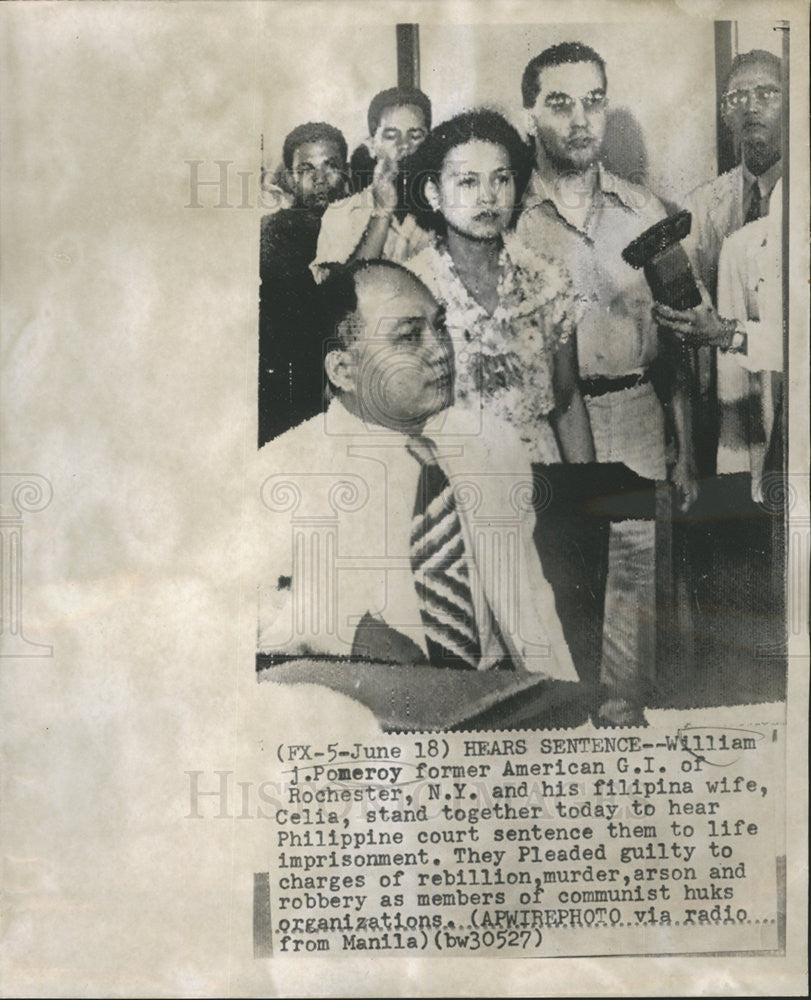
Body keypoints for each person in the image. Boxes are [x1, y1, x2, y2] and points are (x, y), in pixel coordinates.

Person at [257, 260, 579, 687]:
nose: (442, 350)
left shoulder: (492, 444)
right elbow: (233, 600)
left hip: (502, 692)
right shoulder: (286, 469)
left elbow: (533, 603)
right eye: (409, 337)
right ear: (343, 370)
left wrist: (562, 697)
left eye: (439, 326)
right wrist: (346, 630)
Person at [515, 41, 697, 726]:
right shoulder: (506, 218)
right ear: (530, 112)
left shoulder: (646, 211)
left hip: (631, 412)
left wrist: (678, 439)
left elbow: (682, 331)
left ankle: (622, 722)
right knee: (548, 578)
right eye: (559, 103)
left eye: (593, 100)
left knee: (629, 582)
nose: (580, 119)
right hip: (539, 424)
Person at [404, 109, 594, 465]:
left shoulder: (548, 281)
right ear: (433, 192)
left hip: (541, 474)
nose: (488, 197)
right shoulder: (410, 290)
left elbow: (567, 401)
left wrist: (588, 502)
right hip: (451, 478)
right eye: (467, 182)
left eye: (501, 179)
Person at [652, 49, 783, 475]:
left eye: (767, 93)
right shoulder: (703, 205)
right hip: (722, 412)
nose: (751, 107)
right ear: (726, 116)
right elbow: (684, 324)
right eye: (737, 98)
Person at [258, 122, 349, 444]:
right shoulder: (275, 233)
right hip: (295, 390)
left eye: (330, 166)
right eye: (306, 169)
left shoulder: (361, 226)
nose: (320, 178)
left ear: (346, 172)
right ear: (291, 177)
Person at [311, 87, 432, 279]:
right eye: (391, 135)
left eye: (415, 135)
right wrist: (381, 214)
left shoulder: (446, 211)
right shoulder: (341, 214)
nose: (404, 145)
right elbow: (338, 296)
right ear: (373, 144)